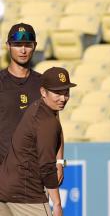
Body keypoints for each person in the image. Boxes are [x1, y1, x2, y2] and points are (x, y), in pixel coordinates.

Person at [0, 67, 76, 216]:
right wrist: (58, 204)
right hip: (26, 194)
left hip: (4, 189)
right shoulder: (46, 121)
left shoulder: (36, 107)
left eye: (66, 92)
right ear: (43, 92)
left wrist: (60, 162)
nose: (63, 98)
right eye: (57, 92)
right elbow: (47, 167)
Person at [0, 23, 64, 183]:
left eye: (27, 45)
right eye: (17, 45)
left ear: (34, 46)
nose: (23, 50)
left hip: (35, 175)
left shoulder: (44, 83)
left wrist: (59, 162)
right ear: (8, 46)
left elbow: (55, 127)